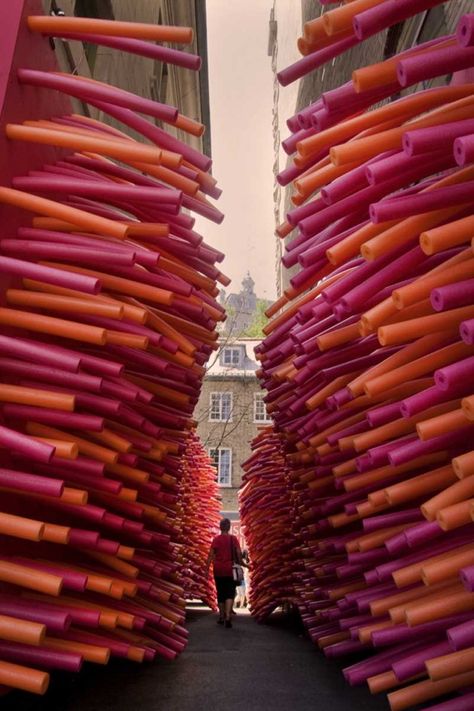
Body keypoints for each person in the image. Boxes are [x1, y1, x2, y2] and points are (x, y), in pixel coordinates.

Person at [205, 518, 244, 628]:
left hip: (218, 570)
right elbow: (238, 553)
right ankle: (228, 617)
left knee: (220, 593)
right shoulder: (233, 539)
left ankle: (221, 616)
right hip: (230, 570)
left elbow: (211, 555)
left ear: (220, 527)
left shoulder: (216, 539)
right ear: (229, 527)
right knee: (230, 593)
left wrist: (206, 569)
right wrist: (242, 564)